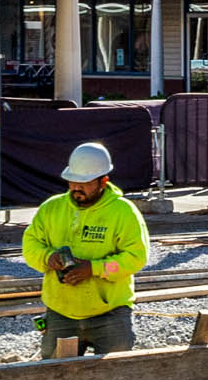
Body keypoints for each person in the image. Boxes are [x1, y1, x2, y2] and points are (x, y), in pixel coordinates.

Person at [24, 141, 152, 358]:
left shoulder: (123, 212)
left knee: (116, 373)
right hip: (61, 312)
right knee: (54, 374)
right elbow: (30, 244)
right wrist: (47, 257)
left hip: (110, 313)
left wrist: (94, 269)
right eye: (72, 182)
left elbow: (135, 257)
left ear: (103, 181)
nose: (76, 188)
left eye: (84, 183)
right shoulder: (51, 209)